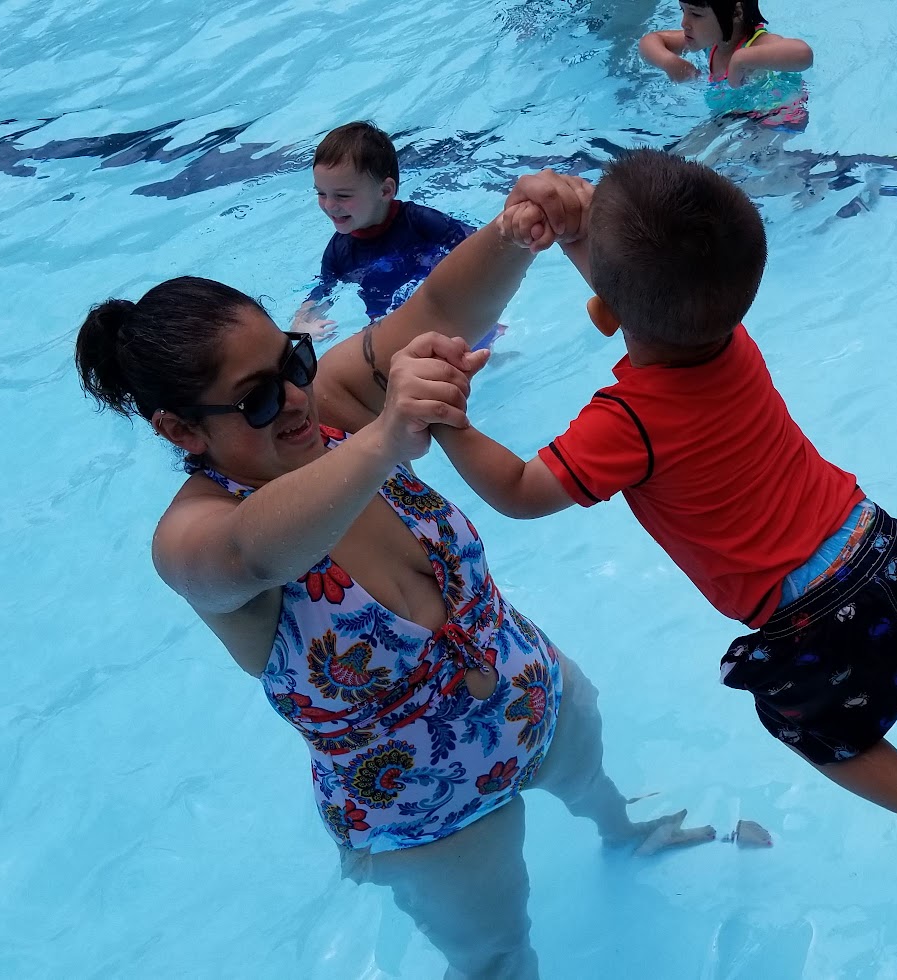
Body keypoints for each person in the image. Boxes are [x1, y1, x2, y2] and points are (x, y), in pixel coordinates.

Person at [74, 172, 707, 980]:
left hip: (536, 698)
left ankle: (626, 837)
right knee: (497, 960)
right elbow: (254, 554)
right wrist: (382, 440)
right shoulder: (193, 538)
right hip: (430, 818)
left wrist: (515, 231)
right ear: (179, 430)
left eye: (293, 361)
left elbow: (436, 309)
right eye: (257, 398)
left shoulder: (332, 407)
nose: (296, 399)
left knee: (598, 794)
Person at [428, 153, 897, 863]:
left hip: (810, 615)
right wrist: (576, 234)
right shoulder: (729, 338)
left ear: (606, 312)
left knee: (810, 723)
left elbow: (520, 491)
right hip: (882, 544)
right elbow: (644, 296)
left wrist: (445, 418)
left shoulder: (628, 423)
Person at [290, 121, 481, 342]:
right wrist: (302, 323)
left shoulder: (420, 222)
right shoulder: (338, 252)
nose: (330, 205)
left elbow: (477, 247)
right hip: (388, 331)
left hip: (446, 313)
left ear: (385, 191)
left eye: (342, 195)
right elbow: (322, 292)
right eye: (321, 193)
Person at [639, 0, 812, 132]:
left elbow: (803, 54)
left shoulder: (759, 45)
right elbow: (650, 40)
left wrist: (741, 59)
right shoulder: (710, 41)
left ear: (737, 13)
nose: (684, 23)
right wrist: (670, 62)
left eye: (696, 14)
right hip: (734, 120)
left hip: (777, 122)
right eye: (682, 10)